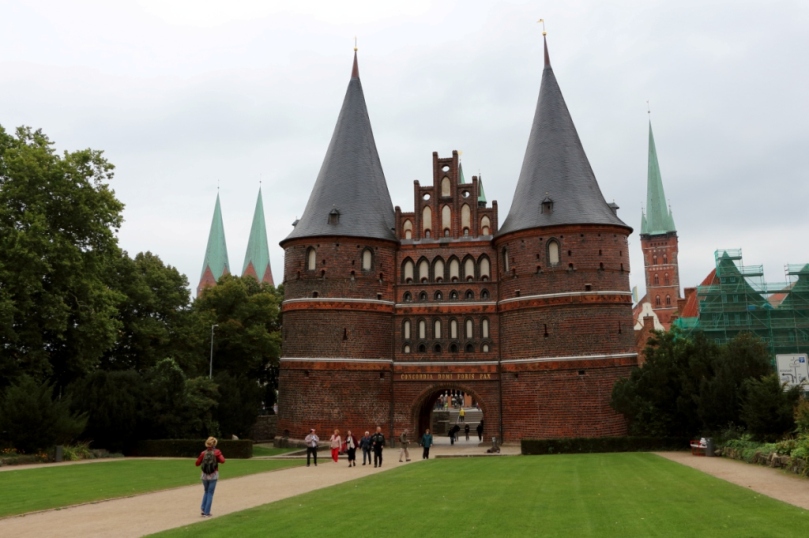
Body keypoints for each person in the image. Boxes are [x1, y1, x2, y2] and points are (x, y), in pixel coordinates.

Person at [195, 436, 225, 517]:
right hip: (213, 474)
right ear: (214, 444)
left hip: (204, 475)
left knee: (206, 491)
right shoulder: (217, 452)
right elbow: (223, 461)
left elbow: (197, 463)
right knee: (210, 493)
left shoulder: (203, 453)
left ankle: (203, 508)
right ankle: (207, 512)